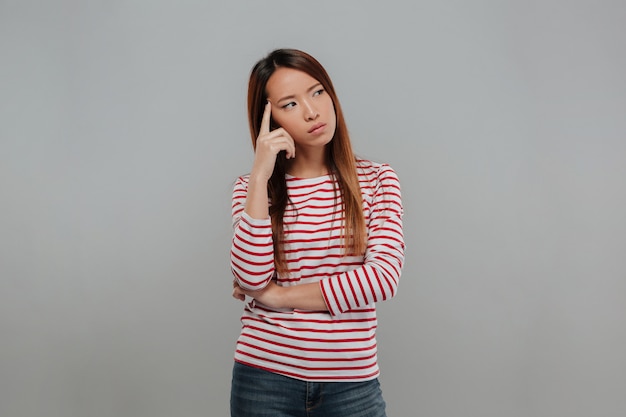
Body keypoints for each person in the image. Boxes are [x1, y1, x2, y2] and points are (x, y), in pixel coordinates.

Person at [229, 48, 405, 417]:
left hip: (352, 384)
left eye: (317, 92)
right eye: (289, 104)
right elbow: (250, 276)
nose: (311, 111)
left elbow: (382, 279)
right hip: (264, 378)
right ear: (269, 119)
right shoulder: (251, 189)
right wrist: (261, 174)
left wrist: (278, 297)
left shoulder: (376, 180)